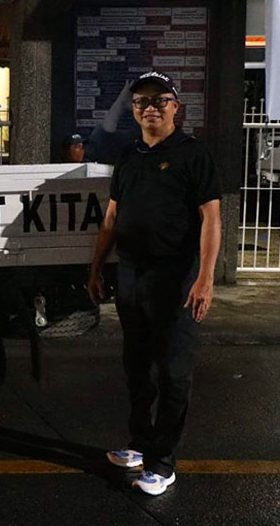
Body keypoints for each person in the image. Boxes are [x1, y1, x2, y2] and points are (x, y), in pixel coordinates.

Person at [87, 70, 222, 496]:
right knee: (137, 365)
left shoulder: (192, 154)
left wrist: (204, 278)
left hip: (175, 277)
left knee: (173, 369)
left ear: (175, 108)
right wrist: (95, 268)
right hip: (131, 273)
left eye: (160, 100)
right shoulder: (128, 156)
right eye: (142, 101)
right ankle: (140, 444)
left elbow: (212, 219)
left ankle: (162, 462)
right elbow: (111, 216)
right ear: (133, 110)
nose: (150, 107)